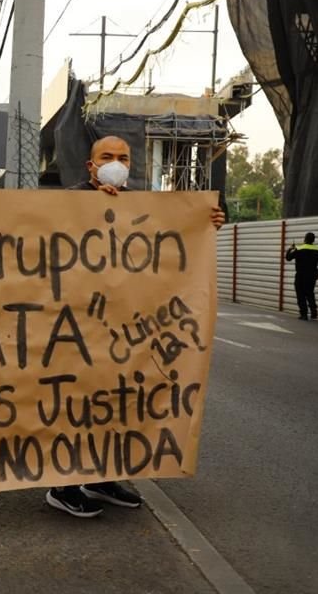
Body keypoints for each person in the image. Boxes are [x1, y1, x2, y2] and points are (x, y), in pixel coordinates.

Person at [46, 135, 225, 518]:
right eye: (107, 157)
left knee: (115, 406)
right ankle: (62, 485)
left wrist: (205, 222)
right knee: (77, 406)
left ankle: (101, 477)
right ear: (90, 165)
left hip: (124, 330)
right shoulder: (70, 200)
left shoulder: (145, 205)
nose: (116, 163)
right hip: (77, 327)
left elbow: (172, 247)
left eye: (123, 157)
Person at [286, 232, 318, 320]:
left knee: (300, 294)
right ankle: (314, 313)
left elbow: (288, 258)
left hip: (300, 275)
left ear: (305, 239)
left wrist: (290, 249)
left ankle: (304, 314)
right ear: (313, 240)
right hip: (311, 276)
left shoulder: (299, 249)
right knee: (310, 293)